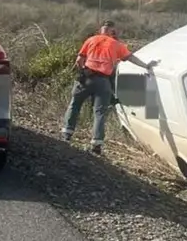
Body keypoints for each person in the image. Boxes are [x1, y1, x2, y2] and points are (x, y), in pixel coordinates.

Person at [61, 20, 159, 155]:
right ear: (112, 31)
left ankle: (67, 133)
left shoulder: (91, 40)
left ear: (101, 29)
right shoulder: (117, 45)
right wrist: (147, 66)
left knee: (75, 104)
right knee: (100, 112)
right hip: (103, 81)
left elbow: (79, 59)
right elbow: (131, 58)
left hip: (86, 78)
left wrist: (82, 71)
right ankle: (97, 143)